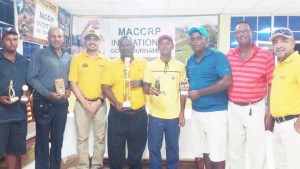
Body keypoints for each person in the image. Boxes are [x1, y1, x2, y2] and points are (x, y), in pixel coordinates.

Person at [226, 20, 275, 169]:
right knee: (234, 148)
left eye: (245, 31)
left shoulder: (265, 55)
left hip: (255, 107)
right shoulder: (229, 55)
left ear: (252, 33)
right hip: (233, 106)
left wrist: (269, 113)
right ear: (235, 35)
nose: (242, 34)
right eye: (239, 32)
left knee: (257, 149)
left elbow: (272, 85)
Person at [186, 27, 232, 169]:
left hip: (216, 113)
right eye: (192, 39)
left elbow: (226, 81)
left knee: (218, 154)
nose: (195, 41)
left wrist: (199, 93)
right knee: (204, 151)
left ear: (207, 40)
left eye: (199, 38)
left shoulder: (218, 56)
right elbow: (190, 82)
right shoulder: (190, 60)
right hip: (197, 112)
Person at [27, 27, 72, 169]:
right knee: (42, 142)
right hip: (43, 103)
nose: (56, 39)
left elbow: (71, 80)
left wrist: (69, 90)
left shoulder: (69, 57)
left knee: (58, 141)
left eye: (59, 36)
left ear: (63, 38)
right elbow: (31, 78)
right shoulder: (39, 54)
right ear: (48, 37)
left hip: (61, 104)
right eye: (53, 36)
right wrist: (47, 93)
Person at [101, 36, 148, 169]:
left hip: (138, 114)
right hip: (117, 114)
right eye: (122, 45)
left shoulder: (144, 63)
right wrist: (115, 102)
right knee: (115, 148)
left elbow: (151, 83)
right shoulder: (111, 64)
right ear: (119, 47)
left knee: (137, 146)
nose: (125, 48)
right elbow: (105, 86)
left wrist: (141, 82)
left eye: (128, 45)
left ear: (134, 46)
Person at [143, 35, 186, 169]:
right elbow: (145, 88)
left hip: (173, 116)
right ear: (158, 47)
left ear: (172, 46)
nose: (165, 46)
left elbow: (183, 91)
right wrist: (150, 90)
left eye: (168, 43)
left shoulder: (180, 66)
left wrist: (182, 113)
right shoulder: (150, 65)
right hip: (155, 115)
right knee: (154, 148)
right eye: (162, 44)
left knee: (173, 149)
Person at [69, 29, 110, 169]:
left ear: (100, 41)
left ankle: (97, 165)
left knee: (100, 138)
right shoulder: (76, 58)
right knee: (82, 137)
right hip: (81, 104)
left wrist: (98, 102)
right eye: (89, 39)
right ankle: (83, 166)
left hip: (100, 104)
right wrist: (85, 103)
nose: (92, 42)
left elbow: (108, 85)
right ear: (84, 41)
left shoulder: (106, 60)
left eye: (95, 39)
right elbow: (73, 83)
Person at [269, 27, 300, 169]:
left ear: (293, 43)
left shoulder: (297, 63)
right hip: (279, 125)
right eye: (275, 42)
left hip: (294, 125)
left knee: (294, 164)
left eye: (284, 41)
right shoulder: (280, 65)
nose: (279, 45)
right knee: (281, 165)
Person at [0, 27, 29, 169]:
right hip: (1, 115)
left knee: (16, 151)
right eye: (8, 39)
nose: (12, 42)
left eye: (15, 39)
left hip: (19, 114)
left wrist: (27, 95)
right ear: (2, 41)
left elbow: (28, 86)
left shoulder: (24, 61)